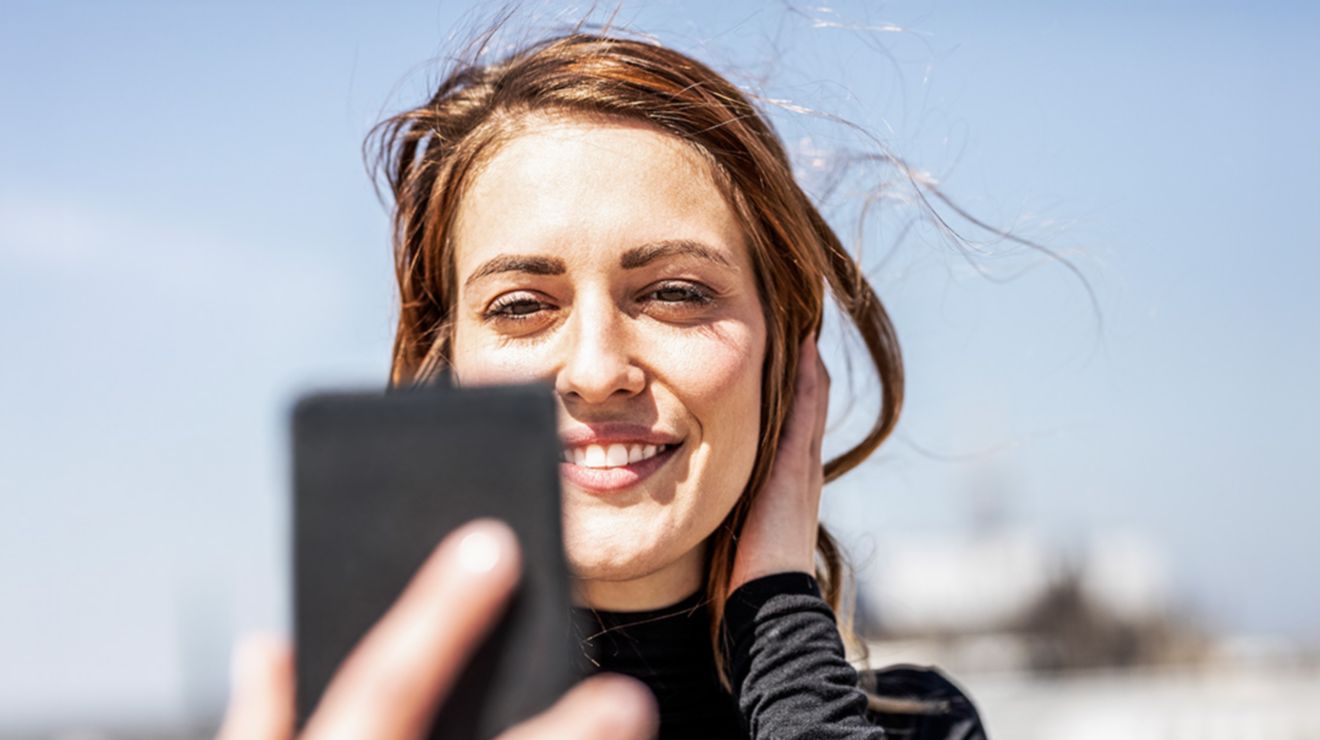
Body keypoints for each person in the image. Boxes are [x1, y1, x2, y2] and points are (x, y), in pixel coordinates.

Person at [220, 31, 986, 739]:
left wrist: (783, 626)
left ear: (783, 345)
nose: (595, 372)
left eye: (676, 293)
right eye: (521, 307)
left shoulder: (921, 726)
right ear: (445, 363)